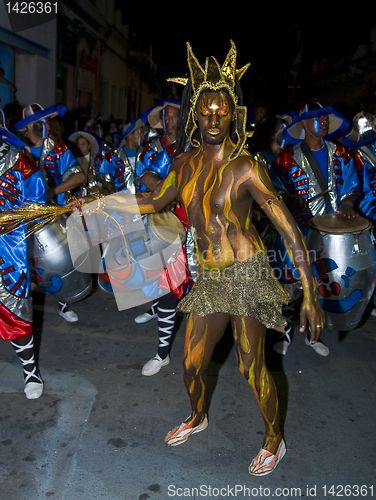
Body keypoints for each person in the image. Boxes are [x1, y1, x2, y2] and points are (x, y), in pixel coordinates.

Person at [91, 41, 324, 475]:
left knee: (251, 367)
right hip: (211, 278)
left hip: (248, 274)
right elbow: (153, 202)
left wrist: (310, 293)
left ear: (234, 115)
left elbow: (290, 230)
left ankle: (275, 439)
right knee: (191, 365)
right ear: (195, 114)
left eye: (222, 111)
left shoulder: (247, 167)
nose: (214, 118)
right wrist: (109, 202)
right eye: (206, 111)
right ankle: (198, 416)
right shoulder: (182, 164)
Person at [270, 103, 360, 356]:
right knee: (290, 284)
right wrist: (288, 198)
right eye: (316, 119)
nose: (322, 122)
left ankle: (313, 336)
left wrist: (347, 203)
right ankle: (285, 333)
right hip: (297, 230)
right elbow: (274, 191)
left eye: (324, 118)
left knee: (323, 282)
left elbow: (352, 185)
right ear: (304, 124)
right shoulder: (286, 159)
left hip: (332, 231)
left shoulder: (340, 153)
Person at [133, 101, 193, 377]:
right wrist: (162, 191)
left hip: (198, 228)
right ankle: (162, 353)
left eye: (175, 116)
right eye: (166, 117)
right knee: (166, 288)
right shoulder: (154, 149)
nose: (170, 121)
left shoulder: (197, 147)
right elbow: (144, 174)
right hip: (166, 227)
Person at [12, 103, 86, 322]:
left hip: (54, 214)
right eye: (39, 122)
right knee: (23, 261)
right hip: (23, 217)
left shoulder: (58, 148)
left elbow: (78, 175)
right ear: (27, 127)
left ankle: (64, 303)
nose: (45, 126)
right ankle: (22, 307)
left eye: (47, 121)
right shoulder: (15, 151)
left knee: (61, 259)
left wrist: (52, 191)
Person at [0, 112, 47, 399]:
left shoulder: (20, 160)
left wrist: (13, 217)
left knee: (16, 310)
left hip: (8, 249)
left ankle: (30, 371)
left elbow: (37, 202)